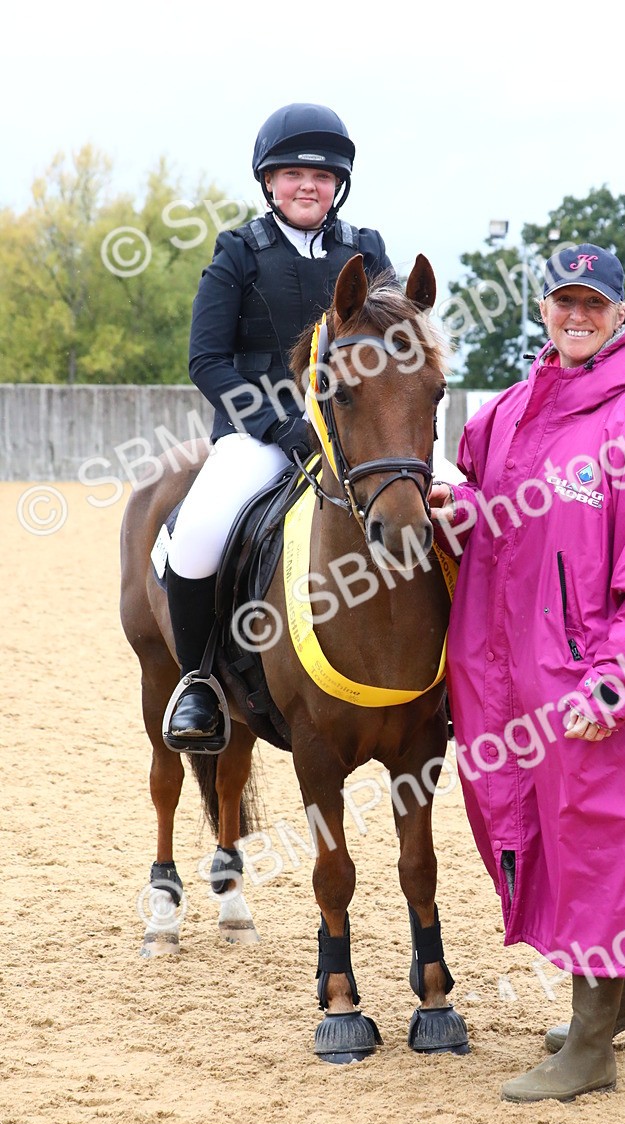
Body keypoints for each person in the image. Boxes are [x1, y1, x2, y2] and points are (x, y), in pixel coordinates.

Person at [430, 243, 625, 1103]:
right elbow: (512, 520)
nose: (576, 315)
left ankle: (590, 1045)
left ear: (620, 313)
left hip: (599, 691)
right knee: (550, 843)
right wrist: (465, 513)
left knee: (602, 843)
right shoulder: (515, 411)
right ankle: (623, 997)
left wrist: (615, 684)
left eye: (592, 303)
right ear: (544, 308)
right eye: (564, 300)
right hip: (518, 680)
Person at [164, 102, 394, 751]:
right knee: (200, 530)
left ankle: (456, 671)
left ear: (338, 186)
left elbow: (396, 344)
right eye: (292, 174)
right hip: (259, 435)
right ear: (268, 182)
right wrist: (276, 425)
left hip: (357, 434)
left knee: (450, 505)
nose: (306, 186)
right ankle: (199, 683)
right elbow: (206, 358)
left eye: (321, 177)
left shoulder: (366, 250)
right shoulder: (237, 251)